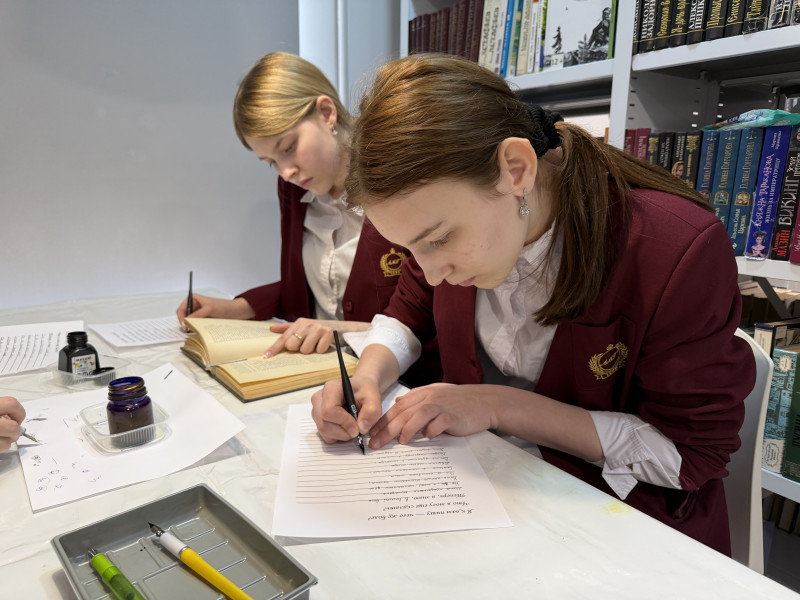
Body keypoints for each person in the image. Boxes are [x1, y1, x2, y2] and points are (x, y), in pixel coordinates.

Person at [310, 54, 756, 554]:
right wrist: (369, 375)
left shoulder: (675, 249)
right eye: (411, 249)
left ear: (516, 169)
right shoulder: (448, 224)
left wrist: (498, 406)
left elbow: (688, 455)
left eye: (438, 239)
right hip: (498, 494)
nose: (431, 271)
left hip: (624, 530)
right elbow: (408, 311)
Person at [175, 53, 438, 383]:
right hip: (321, 370)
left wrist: (341, 330)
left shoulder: (394, 177)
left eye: (288, 148)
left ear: (327, 113)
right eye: (271, 162)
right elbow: (312, 288)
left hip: (400, 381)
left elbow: (425, 314)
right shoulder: (294, 190)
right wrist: (239, 308)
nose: (286, 171)